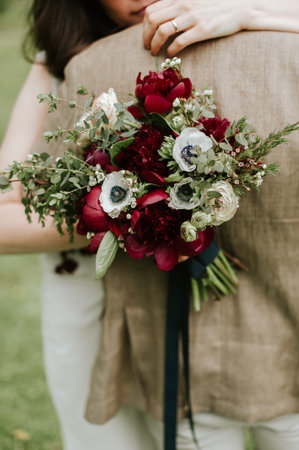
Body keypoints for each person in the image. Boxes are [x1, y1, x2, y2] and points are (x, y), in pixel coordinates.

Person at [1, 0, 299, 449]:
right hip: (95, 282)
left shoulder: (251, 21)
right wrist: (131, 209)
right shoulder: (73, 59)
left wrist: (253, 12)